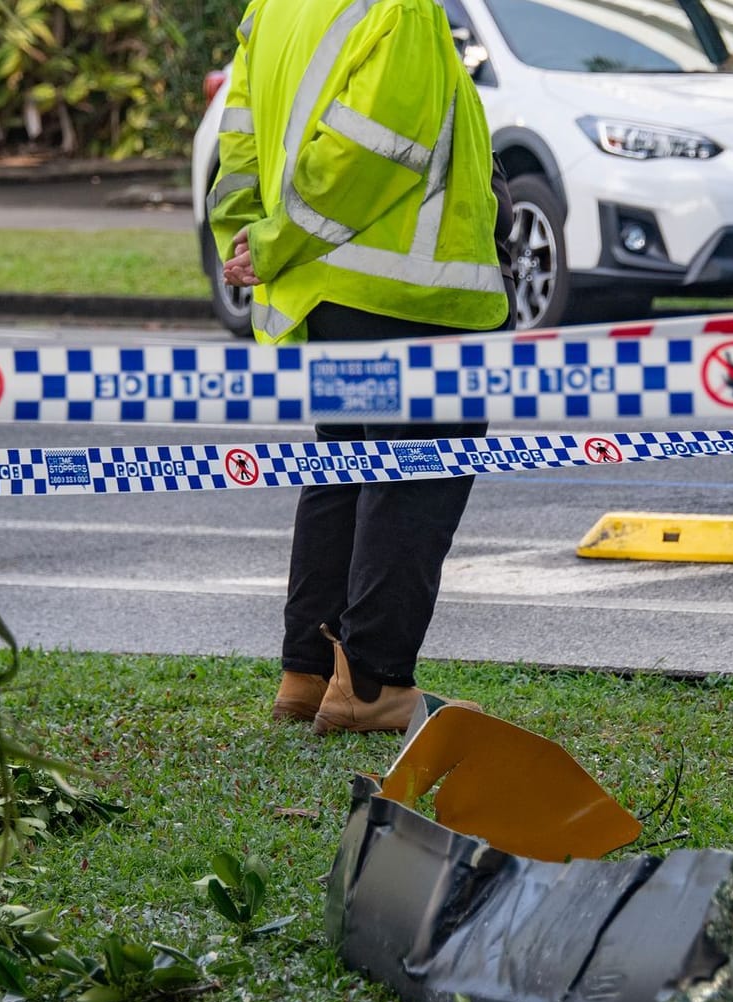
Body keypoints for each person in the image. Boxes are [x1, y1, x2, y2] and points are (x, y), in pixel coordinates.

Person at [208, 0, 513, 735]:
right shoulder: (399, 7)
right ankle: (373, 684)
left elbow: (240, 141)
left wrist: (253, 234)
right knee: (417, 472)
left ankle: (308, 674)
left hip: (327, 287)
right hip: (408, 287)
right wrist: (277, 239)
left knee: (343, 466)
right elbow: (377, 150)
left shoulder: (275, 9)